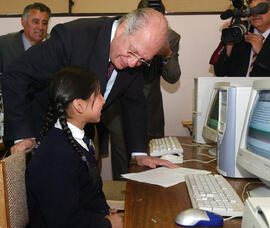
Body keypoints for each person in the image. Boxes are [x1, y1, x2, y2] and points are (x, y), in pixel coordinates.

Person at [3, 8, 177, 169]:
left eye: (142, 60)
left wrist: (139, 154)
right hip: (42, 134)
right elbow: (16, 75)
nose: (133, 63)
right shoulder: (74, 36)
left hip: (79, 137)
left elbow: (134, 102)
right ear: (123, 29)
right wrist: (23, 134)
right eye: (132, 52)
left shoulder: (135, 54)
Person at [26, 66, 123, 228]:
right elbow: (63, 221)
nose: (103, 100)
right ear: (79, 105)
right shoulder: (56, 155)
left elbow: (82, 197)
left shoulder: (69, 140)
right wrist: (106, 224)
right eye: (97, 94)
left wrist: (102, 213)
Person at [101, 0, 181, 180]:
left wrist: (167, 54)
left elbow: (173, 77)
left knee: (153, 162)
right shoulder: (124, 31)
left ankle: (150, 201)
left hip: (151, 108)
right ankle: (125, 202)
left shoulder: (171, 38)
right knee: (122, 163)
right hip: (119, 109)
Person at [213, 0, 270, 76]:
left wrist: (261, 53)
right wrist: (229, 46)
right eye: (251, 10)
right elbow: (219, 72)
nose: (255, 14)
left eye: (260, 9)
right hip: (239, 87)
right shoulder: (241, 34)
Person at [0, 2, 51, 73]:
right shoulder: (4, 44)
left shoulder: (52, 45)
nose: (40, 27)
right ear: (23, 22)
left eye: (44, 23)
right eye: (36, 22)